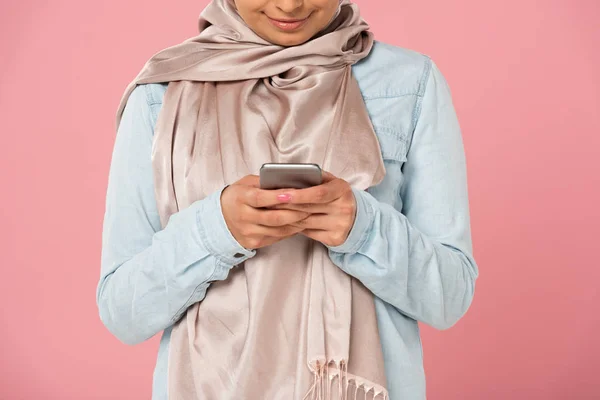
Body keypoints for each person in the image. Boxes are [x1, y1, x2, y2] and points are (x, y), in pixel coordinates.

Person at [97, 0, 479, 399]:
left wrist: (363, 230)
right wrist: (217, 229)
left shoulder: (409, 82)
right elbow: (123, 313)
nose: (290, 4)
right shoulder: (163, 91)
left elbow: (450, 297)